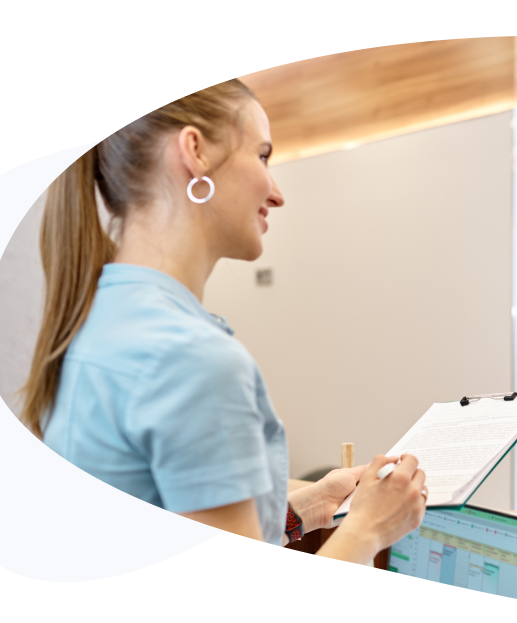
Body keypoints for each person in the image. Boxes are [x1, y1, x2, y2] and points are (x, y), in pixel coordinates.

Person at [21, 80, 427, 563]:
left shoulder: (95, 317)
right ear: (194, 152)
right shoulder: (192, 358)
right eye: (262, 156)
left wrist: (304, 508)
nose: (276, 194)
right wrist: (368, 530)